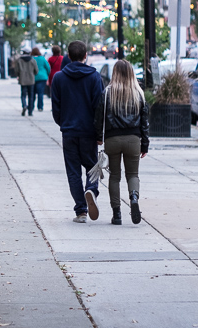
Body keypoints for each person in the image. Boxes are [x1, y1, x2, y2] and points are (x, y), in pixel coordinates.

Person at [51, 40, 104, 223]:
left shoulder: (59, 78)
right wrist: (99, 133)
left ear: (68, 55)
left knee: (73, 171)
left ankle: (81, 210)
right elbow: (99, 107)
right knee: (93, 167)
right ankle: (91, 190)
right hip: (89, 131)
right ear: (85, 55)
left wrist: (63, 123)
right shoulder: (94, 77)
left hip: (69, 131)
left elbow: (56, 108)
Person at [94, 59, 149, 226]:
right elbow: (144, 122)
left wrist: (99, 137)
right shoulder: (138, 92)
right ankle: (133, 197)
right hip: (133, 139)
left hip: (112, 139)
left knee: (115, 176)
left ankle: (116, 213)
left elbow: (98, 118)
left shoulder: (108, 92)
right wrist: (145, 144)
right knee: (133, 175)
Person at [13, 49, 38, 116]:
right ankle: (30, 111)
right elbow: (36, 70)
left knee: (23, 95)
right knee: (31, 95)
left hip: (22, 79)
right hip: (31, 80)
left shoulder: (19, 60)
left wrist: (18, 75)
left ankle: (24, 105)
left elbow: (16, 70)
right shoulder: (33, 60)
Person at [32, 47, 51, 112]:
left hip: (33, 77)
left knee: (33, 93)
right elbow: (48, 67)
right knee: (40, 93)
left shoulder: (31, 59)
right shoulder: (42, 59)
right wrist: (47, 74)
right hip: (42, 77)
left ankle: (31, 106)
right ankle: (40, 107)